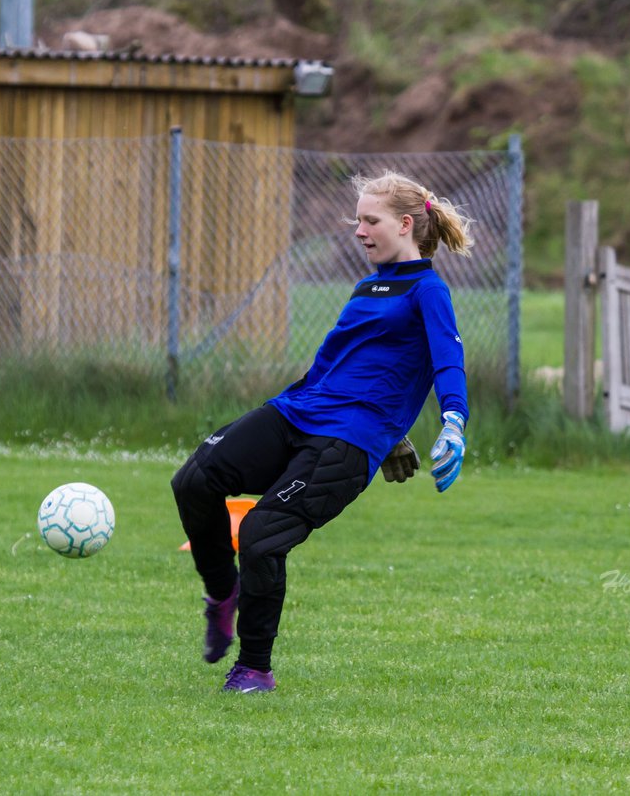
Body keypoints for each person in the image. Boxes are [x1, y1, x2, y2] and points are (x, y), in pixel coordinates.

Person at [171, 169, 472, 693]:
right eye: (357, 219)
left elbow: (447, 362)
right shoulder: (367, 287)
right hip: (300, 410)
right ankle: (223, 595)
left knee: (263, 537)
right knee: (194, 480)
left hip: (348, 440)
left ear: (404, 225)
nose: (358, 230)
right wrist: (394, 432)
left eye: (369, 220)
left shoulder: (429, 292)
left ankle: (253, 669)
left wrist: (452, 422)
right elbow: (340, 365)